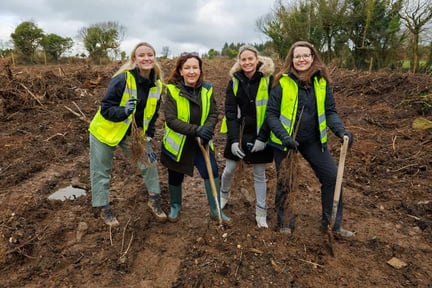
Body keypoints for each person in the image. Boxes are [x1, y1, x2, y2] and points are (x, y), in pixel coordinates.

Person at [266, 41, 355, 237]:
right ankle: (285, 223)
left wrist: (341, 131)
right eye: (297, 56)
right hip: (285, 142)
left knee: (332, 177)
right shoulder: (282, 82)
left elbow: (330, 111)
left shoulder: (321, 82)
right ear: (292, 59)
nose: (302, 59)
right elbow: (271, 115)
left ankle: (332, 224)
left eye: (306, 55)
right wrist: (285, 137)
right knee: (286, 181)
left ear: (313, 57)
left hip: (314, 140)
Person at [88, 42, 167, 226]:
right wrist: (124, 111)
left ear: (154, 58)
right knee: (102, 170)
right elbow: (106, 108)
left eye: (150, 55)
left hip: (134, 132)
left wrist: (148, 136)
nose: (146, 58)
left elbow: (153, 114)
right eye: (142, 55)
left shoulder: (157, 85)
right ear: (134, 59)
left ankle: (154, 200)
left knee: (150, 161)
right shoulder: (123, 79)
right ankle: (104, 208)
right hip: (105, 131)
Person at [160, 52, 231, 224]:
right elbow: (171, 120)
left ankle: (215, 210)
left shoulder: (207, 89)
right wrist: (196, 129)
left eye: (195, 67)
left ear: (200, 70)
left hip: (202, 141)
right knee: (175, 175)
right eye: (187, 68)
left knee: (211, 171)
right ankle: (175, 206)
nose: (191, 71)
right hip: (179, 143)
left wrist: (206, 129)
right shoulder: (172, 90)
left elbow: (214, 112)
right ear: (181, 71)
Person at [219, 45, 274, 228]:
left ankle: (261, 213)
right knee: (230, 168)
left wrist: (263, 138)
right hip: (239, 133)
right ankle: (223, 194)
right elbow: (230, 112)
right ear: (239, 61)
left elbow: (272, 112)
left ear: (257, 59)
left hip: (260, 133)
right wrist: (234, 141)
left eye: (251, 59)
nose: (247, 62)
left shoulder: (268, 80)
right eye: (243, 59)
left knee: (259, 173)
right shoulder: (234, 81)